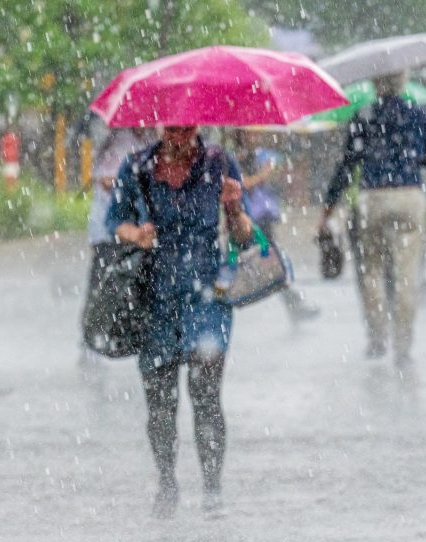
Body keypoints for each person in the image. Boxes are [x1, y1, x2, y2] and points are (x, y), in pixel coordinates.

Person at [107, 125, 252, 519]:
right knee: (160, 401)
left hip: (207, 298)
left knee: (206, 394)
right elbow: (114, 222)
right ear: (160, 126)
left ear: (199, 126)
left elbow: (245, 237)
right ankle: (167, 481)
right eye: (173, 128)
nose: (181, 137)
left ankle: (212, 488)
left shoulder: (220, 163)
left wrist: (235, 208)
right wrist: (136, 233)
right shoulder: (137, 167)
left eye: (188, 129)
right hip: (156, 300)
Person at [320, 72, 426, 367]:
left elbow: (347, 165)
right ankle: (403, 344)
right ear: (403, 82)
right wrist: (408, 156)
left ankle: (376, 337)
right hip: (410, 196)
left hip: (373, 197)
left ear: (375, 84)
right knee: (406, 273)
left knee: (370, 270)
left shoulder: (365, 116)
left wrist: (329, 205)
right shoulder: (421, 115)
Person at [80, 127, 151, 379]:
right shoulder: (120, 142)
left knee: (125, 285)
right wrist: (135, 179)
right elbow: (105, 179)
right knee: (102, 285)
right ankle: (90, 344)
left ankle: (116, 339)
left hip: (130, 230)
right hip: (107, 231)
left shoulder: (149, 141)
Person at [231, 128, 320, 325]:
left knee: (271, 264)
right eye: (250, 133)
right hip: (247, 220)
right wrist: (264, 174)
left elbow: (280, 180)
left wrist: (274, 173)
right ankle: (293, 305)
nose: (255, 136)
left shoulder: (263, 155)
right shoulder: (234, 159)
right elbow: (242, 184)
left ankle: (293, 306)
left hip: (264, 217)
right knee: (268, 265)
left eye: (255, 133)